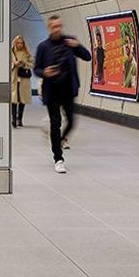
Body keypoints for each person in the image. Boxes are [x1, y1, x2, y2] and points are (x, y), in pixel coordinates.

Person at [35, 16, 90, 173]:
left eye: (59, 26)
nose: (57, 29)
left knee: (72, 122)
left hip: (68, 89)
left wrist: (78, 46)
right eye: (54, 26)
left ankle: (58, 141)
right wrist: (44, 72)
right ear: (49, 28)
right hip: (52, 90)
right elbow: (37, 69)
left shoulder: (70, 42)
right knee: (55, 123)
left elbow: (87, 57)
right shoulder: (43, 47)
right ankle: (58, 158)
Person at [9, 36, 33, 127]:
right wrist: (14, 64)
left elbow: (32, 63)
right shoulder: (11, 53)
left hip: (24, 79)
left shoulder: (26, 53)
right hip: (14, 78)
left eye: (21, 43)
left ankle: (20, 119)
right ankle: (13, 119)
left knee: (22, 99)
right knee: (14, 99)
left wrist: (24, 64)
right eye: (18, 43)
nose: (19, 45)